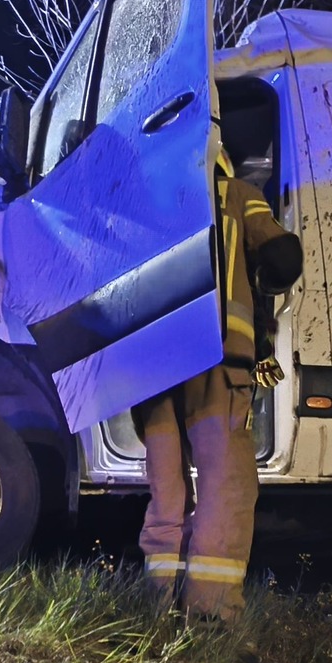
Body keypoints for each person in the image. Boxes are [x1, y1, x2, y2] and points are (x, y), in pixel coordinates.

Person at [133, 155, 303, 618]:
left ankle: (155, 604)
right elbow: (281, 256)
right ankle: (210, 614)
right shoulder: (237, 195)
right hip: (216, 357)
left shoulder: (143, 201)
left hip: (151, 368)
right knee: (226, 486)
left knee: (166, 491)